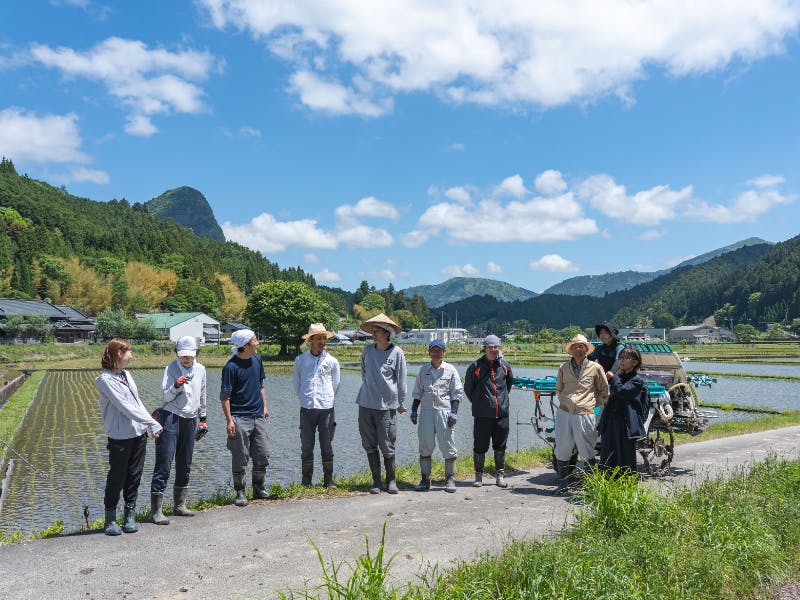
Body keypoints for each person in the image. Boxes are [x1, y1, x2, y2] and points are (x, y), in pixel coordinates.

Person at [96, 338, 162, 536]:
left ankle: (129, 515)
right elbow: (126, 407)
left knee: (134, 475)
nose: (131, 356)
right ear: (118, 354)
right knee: (117, 476)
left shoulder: (126, 375)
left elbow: (137, 402)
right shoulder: (105, 380)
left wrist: (149, 422)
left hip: (138, 433)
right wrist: (153, 422)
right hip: (120, 436)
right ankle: (110, 519)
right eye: (129, 352)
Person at [150, 336, 207, 525]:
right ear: (177, 354)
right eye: (183, 356)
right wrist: (176, 385)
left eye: (190, 356)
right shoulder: (171, 368)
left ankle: (179, 505)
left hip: (190, 420)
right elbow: (166, 396)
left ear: (196, 354)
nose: (186, 359)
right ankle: (156, 511)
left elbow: (202, 394)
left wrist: (203, 419)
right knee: (164, 462)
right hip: (171, 418)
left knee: (185, 462)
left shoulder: (200, 369)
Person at [356, 313, 408, 495]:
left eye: (378, 331)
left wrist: (401, 401)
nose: (374, 334)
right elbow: (364, 372)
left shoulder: (397, 353)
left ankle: (391, 480)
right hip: (365, 402)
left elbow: (401, 380)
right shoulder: (367, 350)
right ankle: (376, 481)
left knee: (387, 443)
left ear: (388, 333)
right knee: (369, 442)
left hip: (387, 406)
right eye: (373, 331)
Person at [221, 329, 273, 507]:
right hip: (239, 417)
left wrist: (264, 406)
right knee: (240, 456)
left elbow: (261, 385)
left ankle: (258, 488)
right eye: (255, 340)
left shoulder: (257, 360)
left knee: (263, 453)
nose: (258, 343)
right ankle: (240, 491)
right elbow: (225, 396)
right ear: (245, 345)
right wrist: (229, 420)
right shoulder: (231, 367)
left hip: (258, 415)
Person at [553, 334, 609, 494]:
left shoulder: (595, 368)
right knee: (562, 447)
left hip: (585, 413)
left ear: (586, 350)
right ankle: (563, 484)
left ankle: (592, 485)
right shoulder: (563, 368)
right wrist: (566, 401)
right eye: (575, 347)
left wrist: (592, 402)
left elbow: (604, 390)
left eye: (581, 347)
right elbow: (559, 388)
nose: (578, 350)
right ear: (571, 350)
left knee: (587, 448)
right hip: (565, 412)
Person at [410, 339, 463, 493]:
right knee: (425, 445)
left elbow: (457, 393)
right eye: (433, 350)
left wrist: (454, 412)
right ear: (429, 352)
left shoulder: (451, 370)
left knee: (448, 445)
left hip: (445, 412)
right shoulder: (423, 370)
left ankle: (450, 478)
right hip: (426, 412)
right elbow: (417, 393)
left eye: (439, 350)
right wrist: (414, 410)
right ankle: (425, 479)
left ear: (444, 352)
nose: (436, 353)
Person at [292, 323, 341, 488]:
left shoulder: (332, 361)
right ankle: (306, 481)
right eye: (318, 338)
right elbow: (297, 385)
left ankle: (329, 480)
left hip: (327, 408)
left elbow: (336, 384)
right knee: (306, 445)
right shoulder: (300, 360)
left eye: (324, 338)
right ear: (310, 341)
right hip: (306, 408)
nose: (322, 341)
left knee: (327, 444)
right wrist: (305, 399)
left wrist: (327, 398)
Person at [464, 334, 514, 488]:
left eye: (496, 346)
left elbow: (508, 385)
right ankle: (478, 476)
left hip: (502, 415)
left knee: (500, 446)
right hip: (482, 415)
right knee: (480, 446)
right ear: (484, 348)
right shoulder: (476, 366)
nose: (493, 349)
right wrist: (480, 402)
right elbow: (468, 389)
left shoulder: (505, 366)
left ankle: (500, 476)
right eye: (490, 347)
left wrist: (501, 401)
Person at [597, 346, 647, 475]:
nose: (622, 361)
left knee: (625, 455)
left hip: (625, 424)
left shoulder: (637, 380)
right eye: (621, 358)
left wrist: (614, 378)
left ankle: (627, 485)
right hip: (610, 421)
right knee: (607, 453)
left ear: (635, 362)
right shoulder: (619, 378)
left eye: (626, 358)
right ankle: (607, 482)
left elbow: (622, 392)